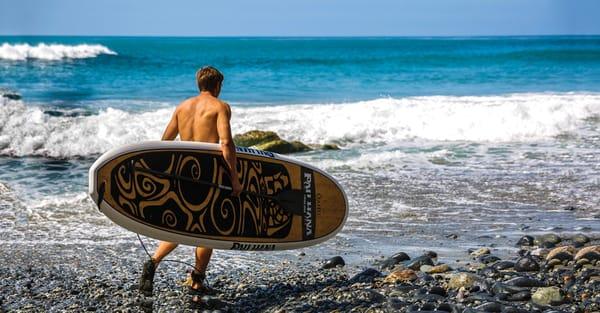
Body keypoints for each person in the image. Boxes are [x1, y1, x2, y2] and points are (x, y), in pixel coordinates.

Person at [139, 66, 242, 297]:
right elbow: (226, 143)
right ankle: (197, 281)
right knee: (207, 230)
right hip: (207, 175)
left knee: (181, 225)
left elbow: (164, 142)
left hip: (183, 173)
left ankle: (154, 261)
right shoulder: (220, 107)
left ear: (199, 84)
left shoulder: (182, 107)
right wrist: (235, 178)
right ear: (217, 85)